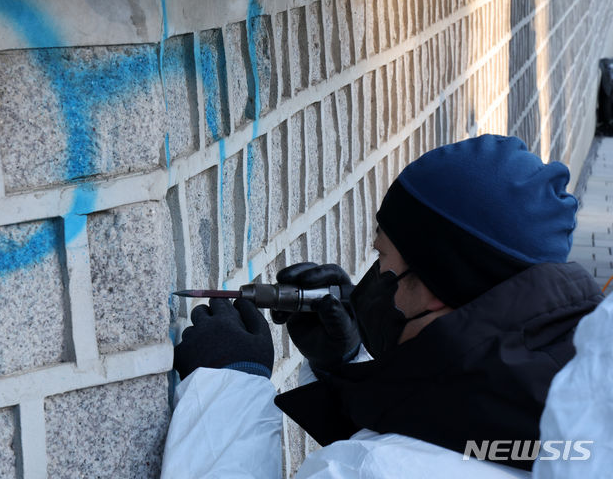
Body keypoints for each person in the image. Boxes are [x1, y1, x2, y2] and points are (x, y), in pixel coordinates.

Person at [160, 135, 603, 478]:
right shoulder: (567, 411)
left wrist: (227, 384)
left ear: (434, 285)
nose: (370, 281)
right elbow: (447, 437)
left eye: (382, 257)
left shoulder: (368, 469)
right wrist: (352, 361)